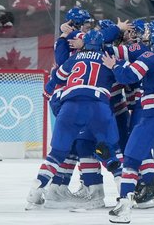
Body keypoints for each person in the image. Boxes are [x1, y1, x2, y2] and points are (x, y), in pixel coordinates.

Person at [26, 30, 121, 209]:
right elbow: (125, 78)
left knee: (57, 154)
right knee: (109, 150)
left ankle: (35, 191)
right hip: (97, 105)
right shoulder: (107, 57)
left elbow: (57, 77)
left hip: (70, 106)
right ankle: (124, 193)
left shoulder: (73, 58)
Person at [105, 22, 154, 224]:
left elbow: (129, 76)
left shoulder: (149, 56)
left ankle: (124, 205)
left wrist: (115, 65)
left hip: (151, 116)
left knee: (131, 160)